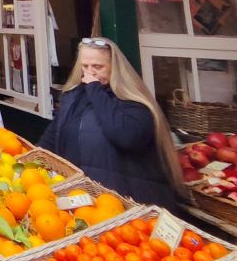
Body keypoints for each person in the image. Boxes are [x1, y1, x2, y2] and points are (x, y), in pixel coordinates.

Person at [39, 36, 186, 209]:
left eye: (98, 67)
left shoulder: (136, 104)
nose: (90, 73)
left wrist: (94, 89)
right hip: (87, 200)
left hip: (130, 202)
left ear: (114, 68)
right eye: (85, 66)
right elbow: (53, 136)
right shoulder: (74, 98)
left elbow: (126, 136)